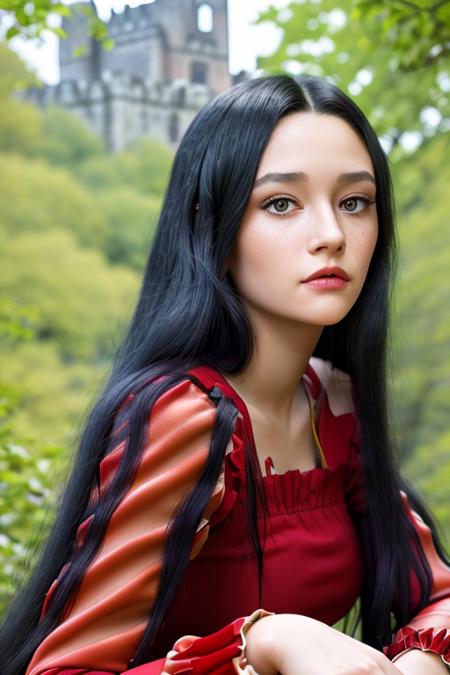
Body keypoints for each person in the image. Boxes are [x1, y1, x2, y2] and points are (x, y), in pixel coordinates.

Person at [0, 74, 449, 675]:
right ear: (214, 223)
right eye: (281, 203)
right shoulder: (187, 417)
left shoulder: (332, 404)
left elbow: (437, 595)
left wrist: (420, 663)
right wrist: (261, 646)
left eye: (354, 202)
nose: (332, 236)